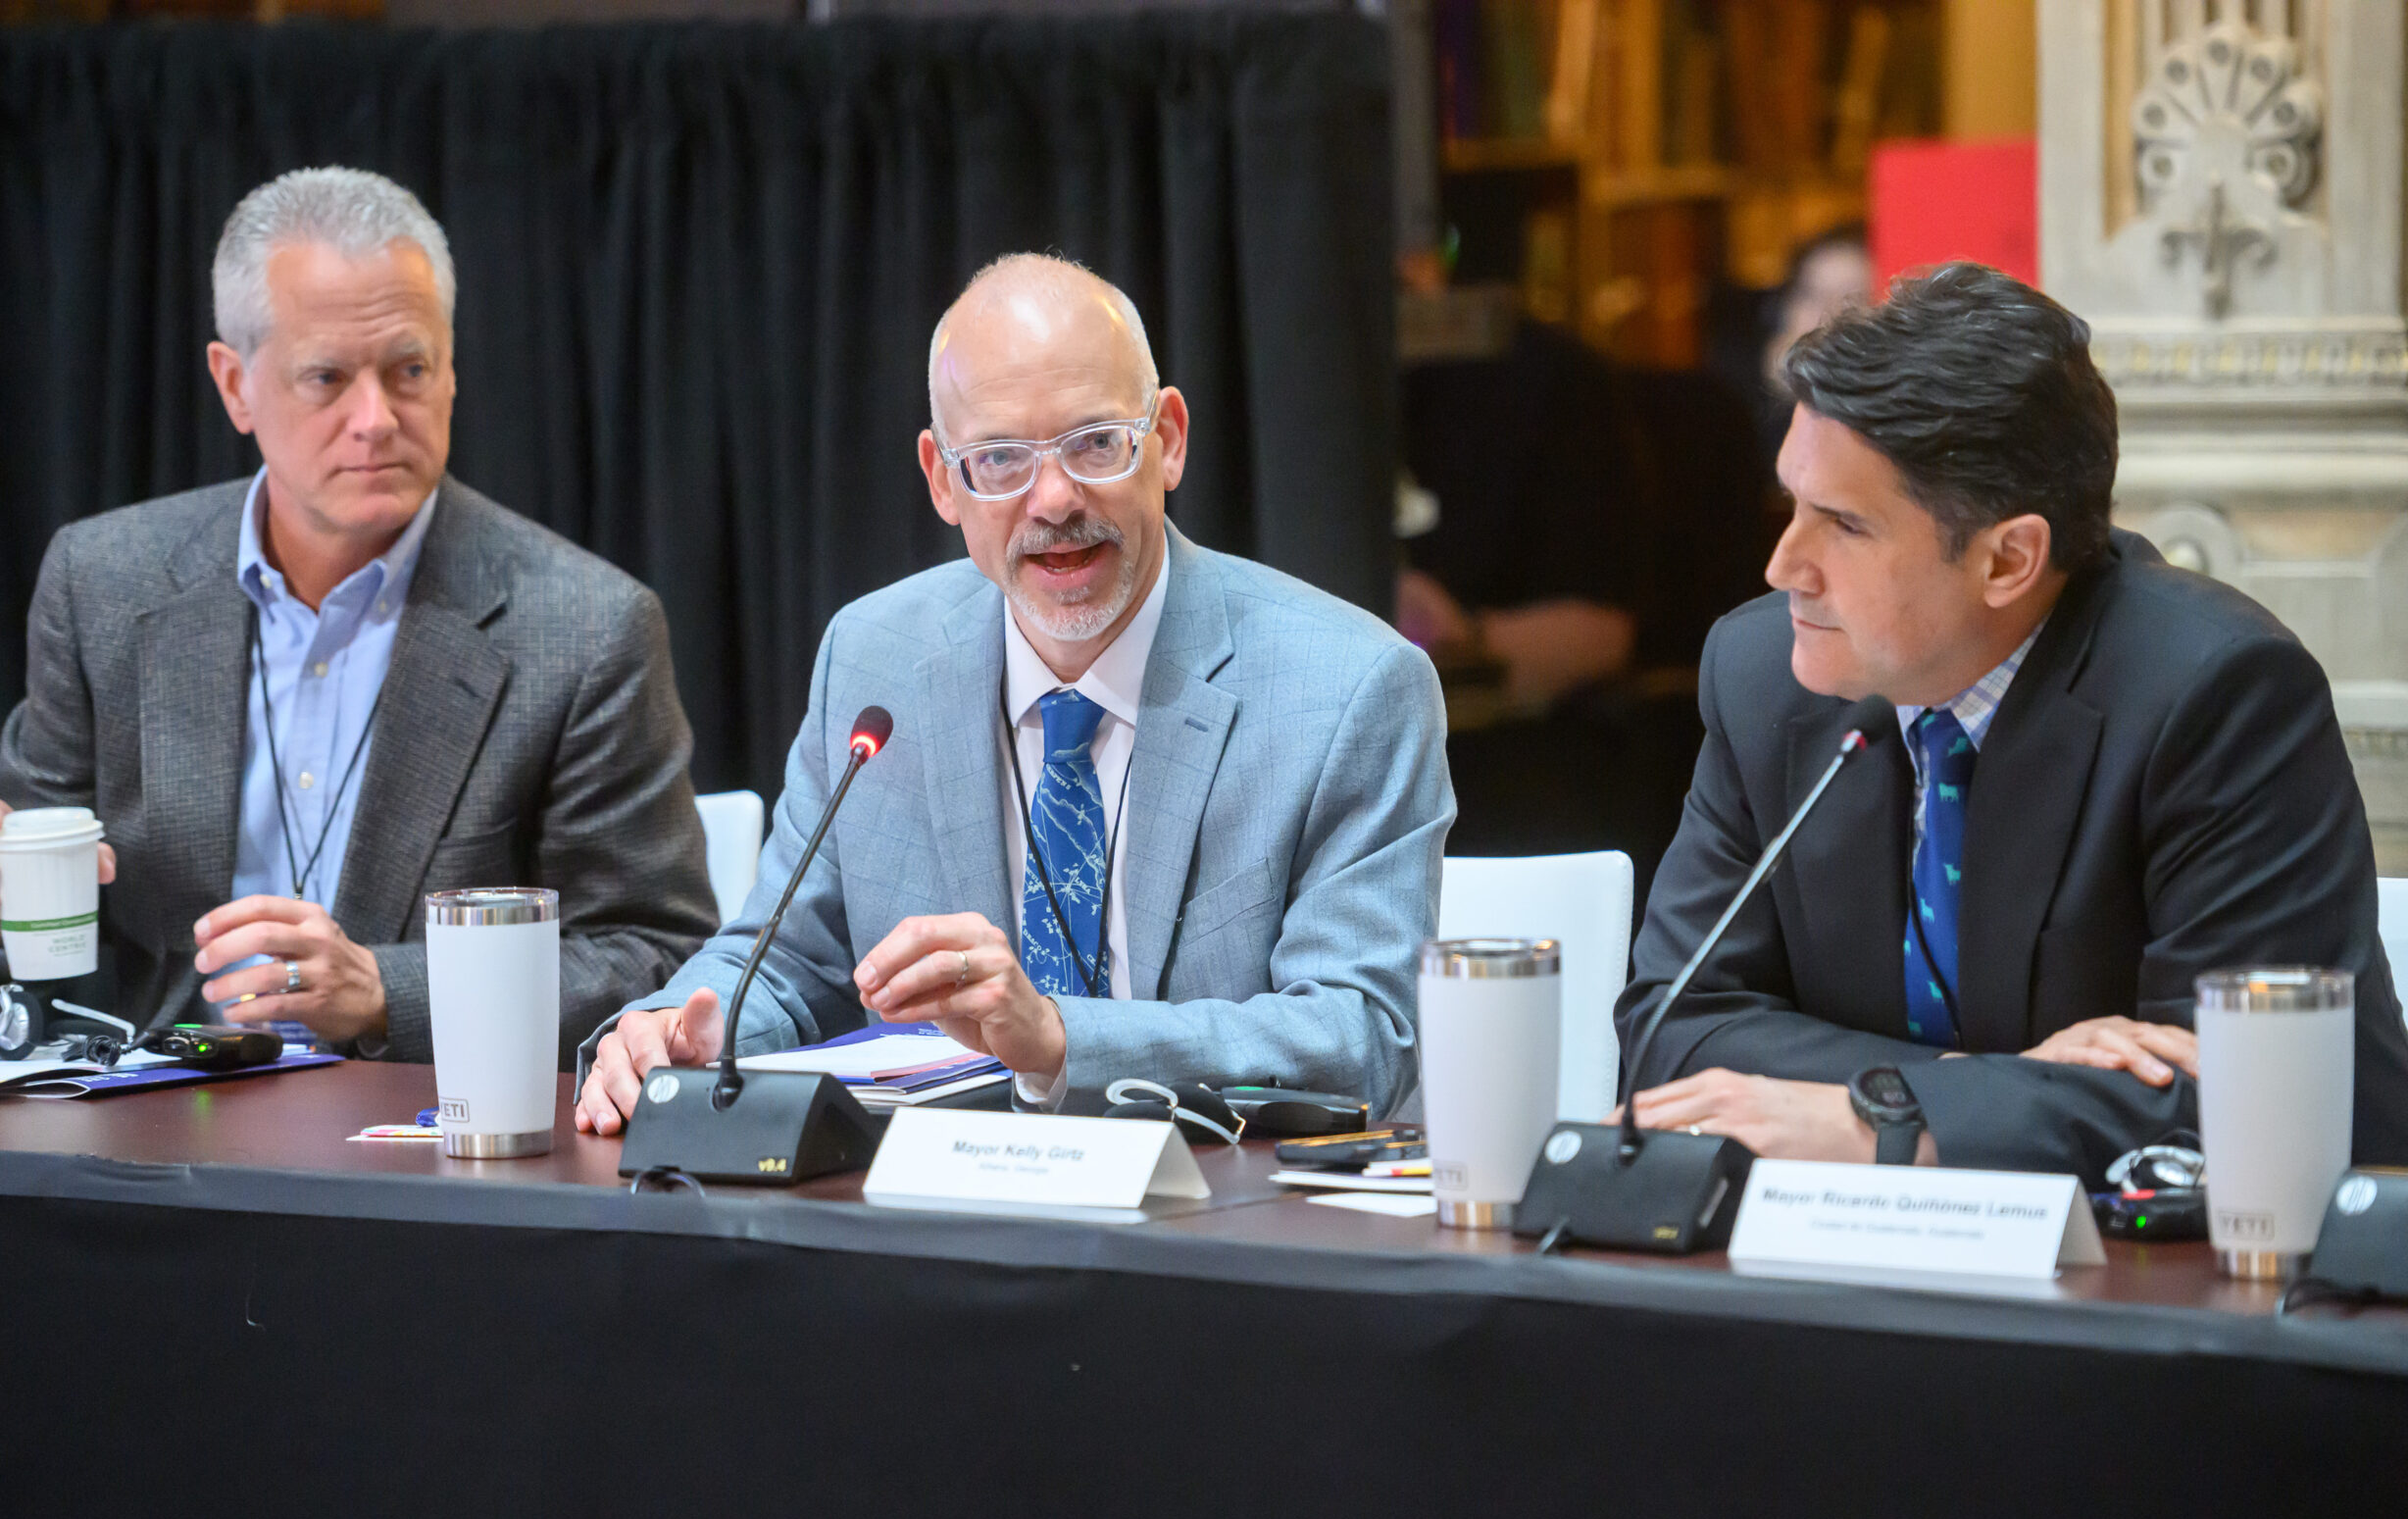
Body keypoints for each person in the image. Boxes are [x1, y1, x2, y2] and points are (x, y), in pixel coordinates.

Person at [575, 253, 1452, 1132]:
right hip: (935, 1230)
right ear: (942, 479)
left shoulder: (1347, 689)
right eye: (999, 459)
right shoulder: (874, 659)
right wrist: (683, 1026)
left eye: (1096, 443)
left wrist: (1060, 1039)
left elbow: (1358, 1036)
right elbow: (791, 961)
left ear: (1169, 439)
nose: (1056, 498)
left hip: (1214, 1231)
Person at [1618, 262, 2408, 1184]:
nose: (1783, 565)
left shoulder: (2215, 695)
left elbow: (2262, 1089)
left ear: (2008, 560)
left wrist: (1880, 1115)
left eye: (1844, 525)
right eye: (1792, 503)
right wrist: (1934, 1101)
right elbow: (1671, 1029)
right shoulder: (1764, 679)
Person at [0, 167, 715, 1061]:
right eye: (328, 377)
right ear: (235, 386)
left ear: (452, 371)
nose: (375, 418)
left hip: (426, 1147)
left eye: (409, 369)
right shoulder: (105, 584)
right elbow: (20, 919)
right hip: (153, 1139)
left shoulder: (583, 629)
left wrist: (385, 991)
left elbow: (658, 957)